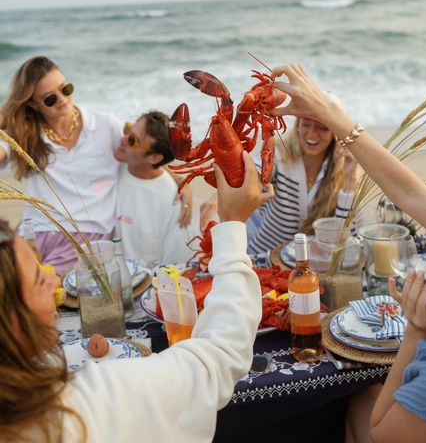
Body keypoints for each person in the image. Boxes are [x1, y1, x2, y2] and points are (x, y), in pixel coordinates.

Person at [269, 64, 426, 443]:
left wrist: (417, 333)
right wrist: (333, 117)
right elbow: (411, 194)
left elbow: (380, 433)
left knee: (356, 399)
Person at [0, 151, 264, 443]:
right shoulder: (86, 404)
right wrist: (232, 226)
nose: (54, 280)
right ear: (11, 321)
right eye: (39, 280)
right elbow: (218, 358)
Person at [0, 56, 192, 275]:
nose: (63, 99)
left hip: (86, 238)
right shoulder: (22, 133)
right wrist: (8, 113)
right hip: (34, 233)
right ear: (33, 103)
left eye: (66, 88)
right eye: (50, 99)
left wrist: (179, 178)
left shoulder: (103, 125)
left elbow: (143, 150)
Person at [200, 92, 359, 258]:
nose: (312, 134)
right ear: (298, 123)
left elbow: (349, 241)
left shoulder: (346, 170)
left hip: (310, 270)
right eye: (306, 124)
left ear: (335, 133)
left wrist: (350, 180)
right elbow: (254, 170)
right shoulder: (279, 154)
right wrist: (218, 196)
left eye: (322, 127)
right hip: (259, 259)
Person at [113, 110, 195, 266]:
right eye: (128, 130)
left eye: (132, 140)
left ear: (155, 158)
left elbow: (177, 265)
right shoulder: (112, 165)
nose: (122, 139)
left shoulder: (173, 202)